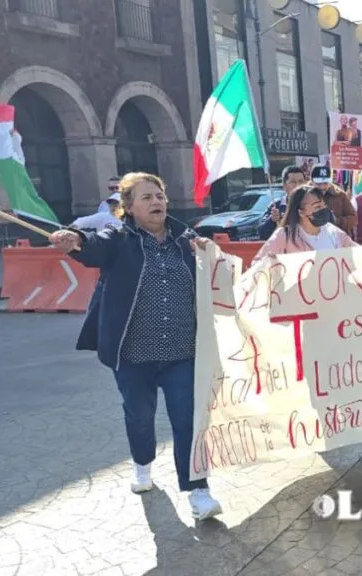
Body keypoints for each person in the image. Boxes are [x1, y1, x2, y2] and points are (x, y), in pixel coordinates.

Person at [48, 172, 222, 521]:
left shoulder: (186, 240)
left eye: (159, 196)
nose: (156, 202)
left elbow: (216, 276)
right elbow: (93, 246)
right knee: (139, 416)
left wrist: (210, 253)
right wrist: (75, 239)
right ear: (128, 207)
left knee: (189, 421)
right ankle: (143, 464)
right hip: (133, 355)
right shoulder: (118, 239)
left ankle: (198, 491)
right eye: (146, 197)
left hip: (182, 353)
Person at [255, 185, 357, 259]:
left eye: (324, 205)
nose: (324, 209)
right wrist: (271, 264)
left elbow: (358, 254)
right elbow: (259, 265)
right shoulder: (284, 236)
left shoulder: (333, 232)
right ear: (301, 212)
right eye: (317, 207)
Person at [257, 165, 306, 240]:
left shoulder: (314, 203)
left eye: (301, 181)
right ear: (284, 185)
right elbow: (262, 233)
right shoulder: (276, 206)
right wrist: (272, 220)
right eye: (293, 182)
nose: (298, 185)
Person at [309, 164, 357, 237]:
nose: (322, 187)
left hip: (336, 239)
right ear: (311, 181)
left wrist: (336, 220)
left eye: (325, 183)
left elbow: (354, 219)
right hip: (312, 238)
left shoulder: (340, 195)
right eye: (318, 183)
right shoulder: (304, 196)